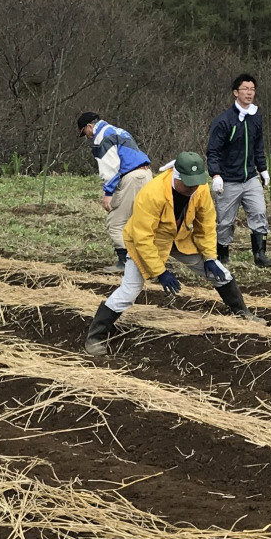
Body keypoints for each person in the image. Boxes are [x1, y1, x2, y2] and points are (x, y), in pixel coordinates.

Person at [84, 151, 256, 356]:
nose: (193, 188)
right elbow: (142, 239)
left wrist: (210, 257)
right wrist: (160, 272)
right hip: (148, 243)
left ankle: (243, 313)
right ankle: (95, 337)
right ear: (177, 176)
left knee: (220, 272)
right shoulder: (152, 194)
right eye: (189, 184)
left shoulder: (200, 189)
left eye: (197, 183)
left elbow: (207, 225)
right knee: (129, 291)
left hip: (180, 238)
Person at [206, 73, 271, 268]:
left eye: (252, 89)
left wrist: (263, 170)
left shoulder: (256, 117)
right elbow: (213, 151)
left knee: (259, 212)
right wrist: (216, 174)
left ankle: (260, 255)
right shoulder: (224, 121)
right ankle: (222, 255)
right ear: (236, 92)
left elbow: (258, 146)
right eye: (245, 89)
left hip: (250, 177)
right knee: (224, 221)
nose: (249, 93)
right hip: (228, 179)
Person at [77, 111, 154, 273]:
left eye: (85, 133)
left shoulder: (101, 137)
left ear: (90, 126)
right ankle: (145, 259)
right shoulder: (116, 130)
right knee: (136, 222)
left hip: (132, 178)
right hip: (146, 174)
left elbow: (110, 168)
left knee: (116, 223)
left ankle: (127, 263)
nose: (88, 137)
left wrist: (108, 194)